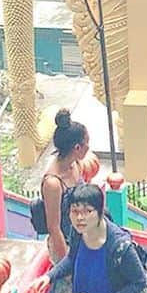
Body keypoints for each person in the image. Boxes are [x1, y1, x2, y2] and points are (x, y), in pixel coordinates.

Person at [40, 110, 90, 262]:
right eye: (86, 143)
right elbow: (54, 227)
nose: (88, 147)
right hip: (65, 244)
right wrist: (66, 262)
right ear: (77, 148)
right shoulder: (53, 183)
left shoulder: (75, 164)